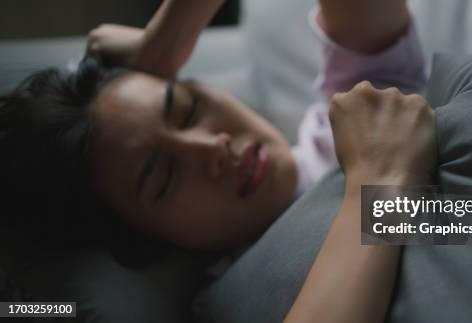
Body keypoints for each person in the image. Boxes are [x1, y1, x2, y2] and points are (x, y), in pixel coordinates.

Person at [0, 0, 436, 321]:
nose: (212, 147)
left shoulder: (358, 105)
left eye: (188, 108)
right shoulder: (233, 301)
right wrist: (379, 185)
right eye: (165, 176)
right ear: (146, 240)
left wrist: (169, 35)